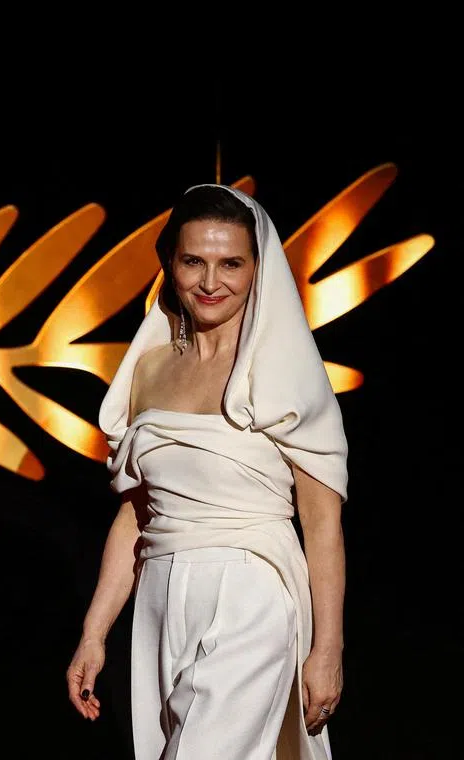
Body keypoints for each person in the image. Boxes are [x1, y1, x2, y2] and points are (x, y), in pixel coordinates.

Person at [65, 184, 348, 759]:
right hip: (160, 601)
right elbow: (136, 517)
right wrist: (94, 633)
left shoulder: (284, 372)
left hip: (253, 594)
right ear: (169, 264)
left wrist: (328, 649)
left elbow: (322, 524)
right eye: (194, 261)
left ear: (257, 269)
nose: (211, 281)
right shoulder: (147, 371)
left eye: (231, 263)